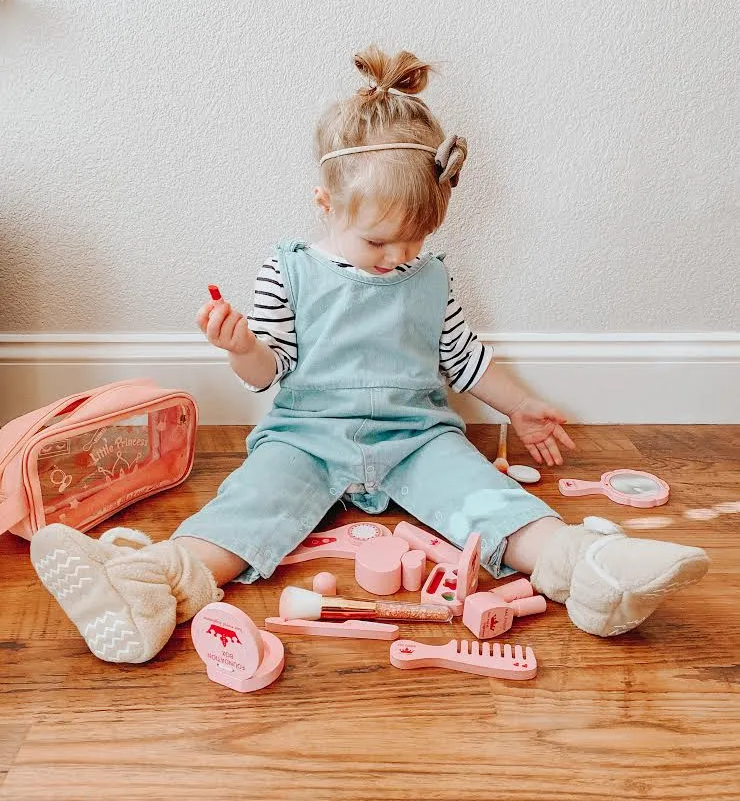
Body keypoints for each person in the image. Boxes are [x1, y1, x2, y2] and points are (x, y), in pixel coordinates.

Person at [30, 46, 708, 663]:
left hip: (416, 437)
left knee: (486, 499)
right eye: (381, 244)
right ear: (327, 204)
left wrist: (523, 406)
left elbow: (464, 357)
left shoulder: (430, 276)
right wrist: (241, 348)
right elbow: (269, 372)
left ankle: (586, 566)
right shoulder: (287, 270)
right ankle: (149, 586)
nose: (400, 260)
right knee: (251, 508)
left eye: (414, 242)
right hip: (305, 437)